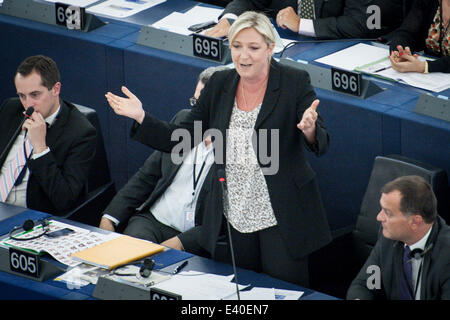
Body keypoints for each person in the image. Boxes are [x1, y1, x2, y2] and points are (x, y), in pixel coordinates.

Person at [105, 11, 331, 287]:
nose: (243, 56)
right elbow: (180, 139)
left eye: (253, 48)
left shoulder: (294, 81)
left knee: (283, 291)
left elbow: (322, 142)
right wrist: (142, 117)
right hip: (235, 213)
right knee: (244, 291)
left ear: (271, 48)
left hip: (280, 213)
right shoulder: (220, 84)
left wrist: (309, 130)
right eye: (236, 47)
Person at [99, 66, 227, 255]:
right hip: (153, 221)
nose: (196, 111)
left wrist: (180, 243)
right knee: (126, 258)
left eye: (203, 105)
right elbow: (146, 176)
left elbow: (225, 219)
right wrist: (110, 217)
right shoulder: (184, 120)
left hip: (195, 236)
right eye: (195, 102)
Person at [0, 55, 96, 214]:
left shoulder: (81, 133)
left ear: (55, 89)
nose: (28, 104)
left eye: (35, 95)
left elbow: (64, 200)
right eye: (22, 96)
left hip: (28, 217)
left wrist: (40, 149)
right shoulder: (11, 109)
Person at [346, 175, 450, 300]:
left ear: (415, 222)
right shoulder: (388, 238)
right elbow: (365, 286)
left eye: (387, 213)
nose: (379, 217)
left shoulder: (446, 255)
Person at [205, 0, 403, 40]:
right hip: (289, 45)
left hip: (337, 47)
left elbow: (359, 23)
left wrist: (302, 24)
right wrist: (231, 18)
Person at [388, 0, 450, 73]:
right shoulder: (429, 2)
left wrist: (425, 66)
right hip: (431, 77)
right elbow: (406, 33)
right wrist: (401, 54)